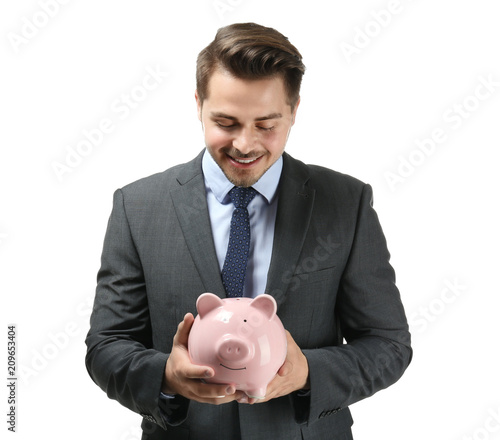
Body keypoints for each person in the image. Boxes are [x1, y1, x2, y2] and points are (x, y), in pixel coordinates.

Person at [85, 22, 412, 440]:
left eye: (265, 124)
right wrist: (166, 375)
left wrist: (307, 372)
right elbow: (107, 345)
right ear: (198, 103)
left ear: (294, 110)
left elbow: (389, 344)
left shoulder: (346, 202)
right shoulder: (137, 206)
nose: (244, 144)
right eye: (226, 121)